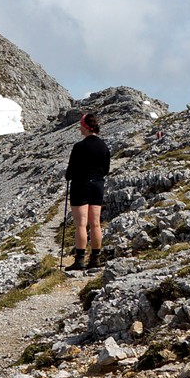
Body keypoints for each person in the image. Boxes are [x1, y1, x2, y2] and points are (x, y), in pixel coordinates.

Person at [65, 112, 111, 270]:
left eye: (80, 125)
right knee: (96, 224)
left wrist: (70, 176)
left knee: (81, 224)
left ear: (85, 126)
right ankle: (95, 259)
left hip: (81, 186)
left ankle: (79, 260)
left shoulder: (79, 147)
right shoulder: (103, 146)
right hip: (97, 185)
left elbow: (70, 172)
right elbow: (106, 169)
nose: (79, 128)